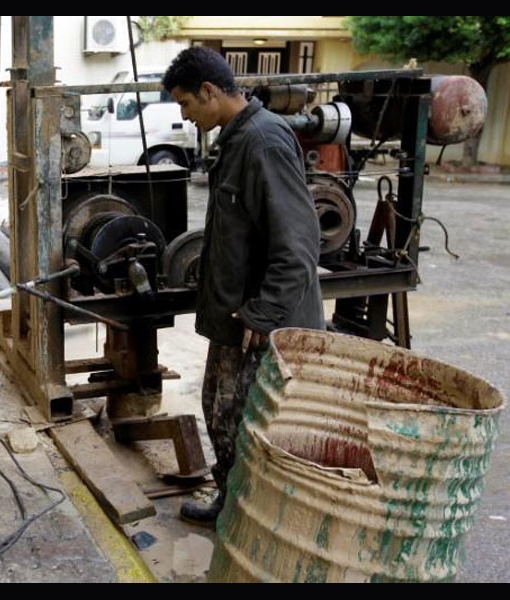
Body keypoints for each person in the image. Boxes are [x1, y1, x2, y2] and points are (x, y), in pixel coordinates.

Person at [162, 47, 325, 526]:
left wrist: (263, 311)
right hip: (236, 319)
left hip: (261, 323)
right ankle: (232, 505)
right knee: (220, 412)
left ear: (210, 92)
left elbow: (298, 245)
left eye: (186, 104)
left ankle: (252, 519)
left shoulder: (264, 142)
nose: (185, 116)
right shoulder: (237, 139)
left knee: (252, 424)